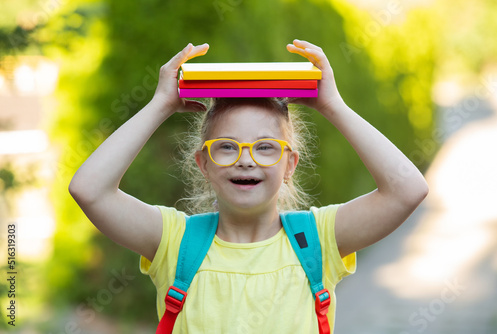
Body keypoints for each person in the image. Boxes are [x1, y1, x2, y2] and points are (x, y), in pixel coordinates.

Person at [69, 39, 429, 333]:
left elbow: (407, 190)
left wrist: (333, 105)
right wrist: (160, 104)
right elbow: (89, 189)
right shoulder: (175, 242)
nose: (246, 159)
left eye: (265, 147)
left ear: (290, 165)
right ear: (204, 164)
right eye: (226, 146)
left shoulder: (317, 239)